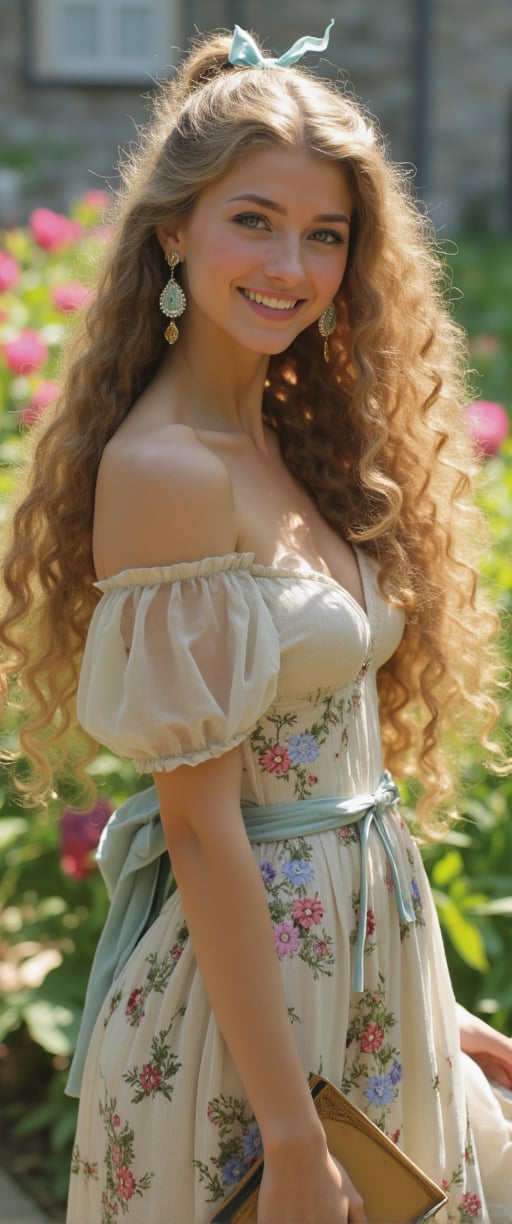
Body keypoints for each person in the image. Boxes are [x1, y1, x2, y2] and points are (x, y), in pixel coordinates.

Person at [1, 19, 511, 1224]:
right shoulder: (170, 467)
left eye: (325, 234)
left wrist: (426, 996)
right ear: (172, 232)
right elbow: (203, 830)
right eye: (253, 220)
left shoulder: (285, 435)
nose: (292, 263)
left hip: (363, 969)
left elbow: (343, 763)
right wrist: (290, 1142)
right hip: (249, 1026)